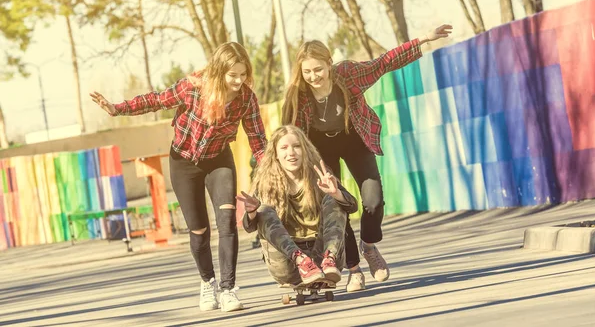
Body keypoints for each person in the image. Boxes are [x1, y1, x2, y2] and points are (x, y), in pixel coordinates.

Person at [90, 42, 267, 312]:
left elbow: (258, 141)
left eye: (243, 75)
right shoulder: (192, 88)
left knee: (227, 221)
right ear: (219, 72)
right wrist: (117, 109)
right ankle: (208, 282)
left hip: (219, 160)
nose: (238, 81)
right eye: (233, 75)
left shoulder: (246, 99)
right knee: (199, 231)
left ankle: (228, 288)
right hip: (183, 163)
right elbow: (156, 100)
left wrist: (274, 170)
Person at [281, 25, 453, 292]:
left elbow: (383, 63)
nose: (313, 76)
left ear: (329, 64)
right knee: (337, 204)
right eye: (307, 72)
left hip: (353, 137)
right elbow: (288, 132)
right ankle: (353, 268)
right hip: (319, 149)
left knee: (373, 200)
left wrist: (423, 40)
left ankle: (369, 246)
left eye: (318, 69)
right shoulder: (297, 95)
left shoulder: (347, 74)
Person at [237, 125, 357, 286]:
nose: (291, 153)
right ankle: (302, 261)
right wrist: (252, 212)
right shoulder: (265, 182)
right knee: (263, 210)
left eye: (297, 146)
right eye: (284, 148)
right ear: (276, 155)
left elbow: (352, 207)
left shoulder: (319, 175)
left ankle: (329, 258)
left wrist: (336, 193)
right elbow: (249, 227)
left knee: (333, 200)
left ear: (305, 149)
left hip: (323, 258)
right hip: (288, 262)